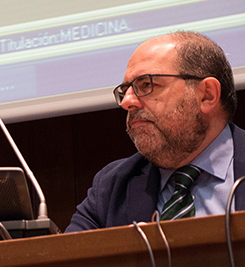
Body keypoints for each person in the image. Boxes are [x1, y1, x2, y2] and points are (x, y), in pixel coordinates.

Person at [67, 32, 242, 232]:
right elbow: (63, 261)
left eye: (147, 85)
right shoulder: (111, 186)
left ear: (207, 95)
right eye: (125, 91)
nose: (127, 102)